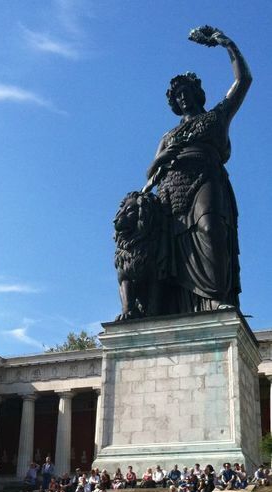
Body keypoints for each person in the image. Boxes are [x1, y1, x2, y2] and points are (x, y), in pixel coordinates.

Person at [143, 28, 251, 312]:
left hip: (206, 177)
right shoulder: (168, 136)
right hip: (172, 189)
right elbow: (151, 174)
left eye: (186, 92)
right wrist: (162, 157)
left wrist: (227, 44)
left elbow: (243, 81)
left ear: (197, 93)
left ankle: (216, 299)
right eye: (177, 96)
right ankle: (178, 308)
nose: (182, 99)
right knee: (174, 249)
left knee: (210, 228)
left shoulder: (217, 116)